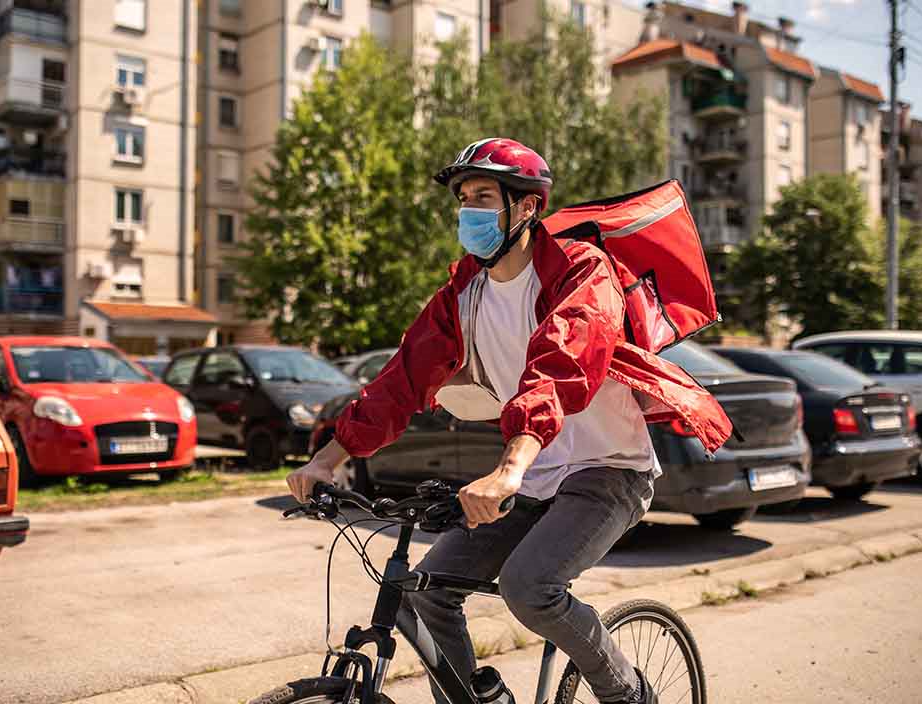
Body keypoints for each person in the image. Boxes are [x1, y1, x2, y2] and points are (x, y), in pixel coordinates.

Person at [288, 138, 731, 704]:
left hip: (608, 469)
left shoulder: (580, 271)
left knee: (531, 587)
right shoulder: (463, 293)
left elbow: (557, 366)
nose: (468, 211)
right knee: (426, 592)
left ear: (526, 207)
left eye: (482, 197)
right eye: (462, 199)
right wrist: (329, 459)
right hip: (532, 476)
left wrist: (509, 467)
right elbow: (401, 379)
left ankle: (627, 691)